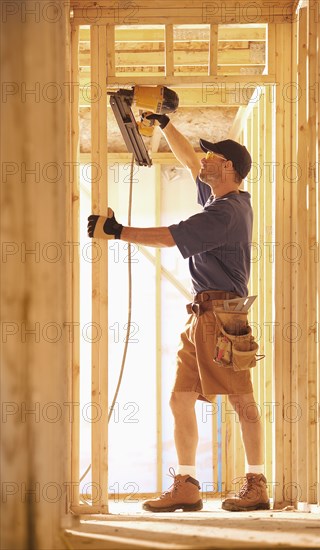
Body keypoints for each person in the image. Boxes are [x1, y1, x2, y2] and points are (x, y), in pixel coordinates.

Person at [87, 114, 270, 513]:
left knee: (242, 401)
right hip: (202, 316)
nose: (203, 160)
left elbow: (171, 237)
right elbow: (188, 161)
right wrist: (166, 124)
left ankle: (257, 484)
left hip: (223, 316)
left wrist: (117, 232)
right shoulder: (219, 198)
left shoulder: (227, 212)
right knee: (180, 399)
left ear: (229, 168)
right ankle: (187, 485)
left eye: (212, 157)